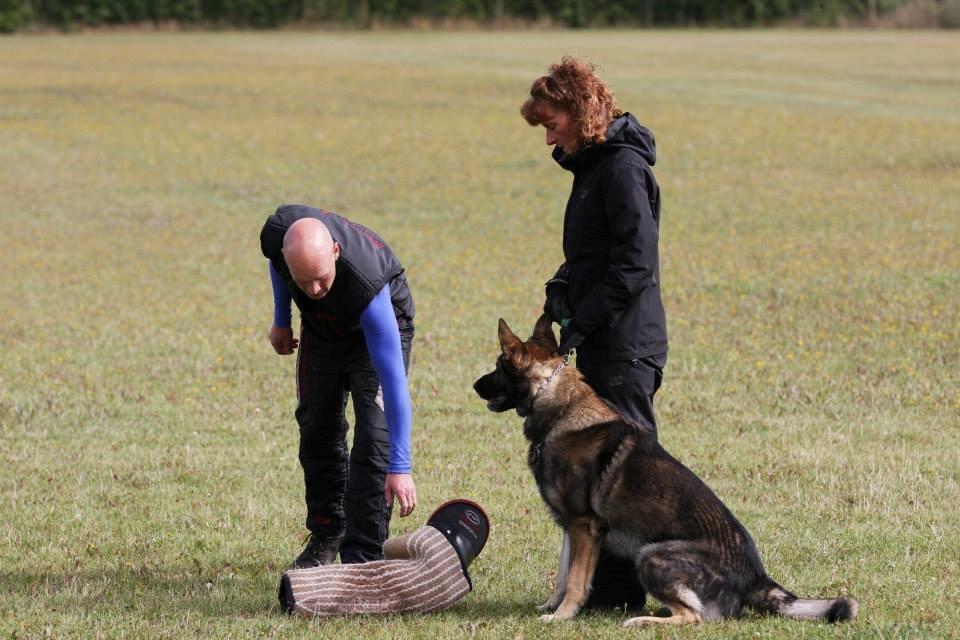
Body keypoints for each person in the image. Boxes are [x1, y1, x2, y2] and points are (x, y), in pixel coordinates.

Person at [520, 57, 669, 608]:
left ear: (579, 110)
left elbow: (635, 264)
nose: (547, 134)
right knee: (599, 470)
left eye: (551, 120)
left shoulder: (623, 169)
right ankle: (599, 591)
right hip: (604, 339)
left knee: (628, 475)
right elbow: (592, 255)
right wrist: (560, 288)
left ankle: (623, 593)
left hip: (628, 348)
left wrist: (582, 319)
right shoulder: (593, 167)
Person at [260, 204, 417, 568]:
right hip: (324, 331)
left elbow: (393, 383)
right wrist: (281, 320)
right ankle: (328, 533)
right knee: (317, 428)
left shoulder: (368, 284)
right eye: (305, 282)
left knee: (373, 437)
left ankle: (363, 557)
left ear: (334, 251)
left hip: (373, 331)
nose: (314, 289)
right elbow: (275, 261)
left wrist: (401, 466)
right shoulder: (277, 238)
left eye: (321, 279)